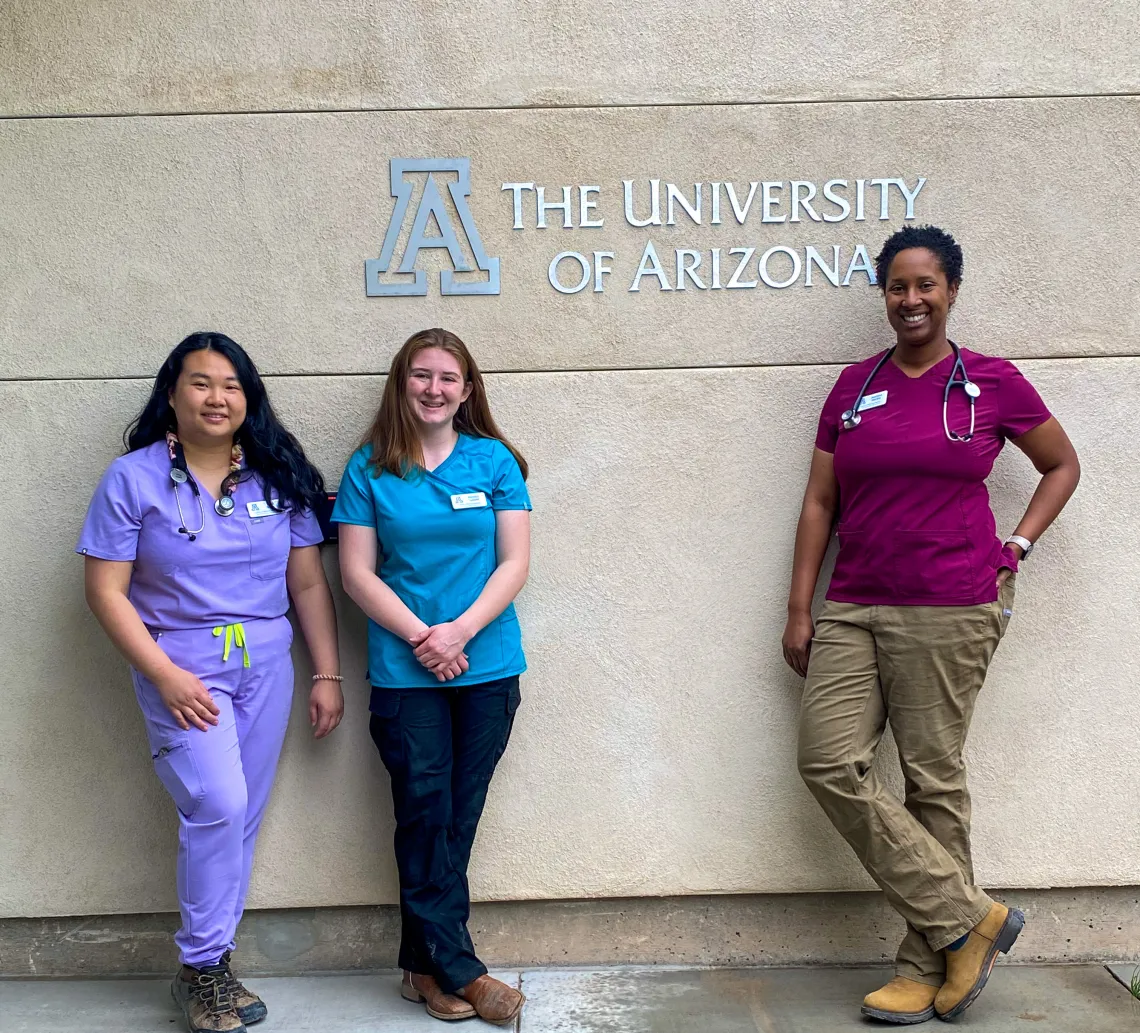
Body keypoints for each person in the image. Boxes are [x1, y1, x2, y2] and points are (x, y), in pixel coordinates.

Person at [783, 226, 1080, 1025]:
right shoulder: (852, 386)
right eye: (896, 287)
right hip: (853, 603)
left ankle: (925, 962)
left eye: (925, 285)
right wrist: (800, 605)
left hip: (951, 604)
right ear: (883, 295)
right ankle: (969, 918)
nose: (910, 300)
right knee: (827, 761)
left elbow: (1062, 464)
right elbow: (820, 502)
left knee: (932, 779)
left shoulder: (990, 382)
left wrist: (1015, 544)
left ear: (951, 290)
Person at [79, 332, 343, 1033]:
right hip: (183, 665)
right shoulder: (133, 478)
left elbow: (310, 581)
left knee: (241, 817)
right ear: (173, 392)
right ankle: (201, 966)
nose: (217, 396)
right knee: (217, 802)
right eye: (200, 382)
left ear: (247, 397)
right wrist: (162, 673)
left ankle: (212, 965)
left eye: (231, 384)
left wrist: (325, 671)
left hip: (266, 662)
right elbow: (106, 590)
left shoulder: (274, 475)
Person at [333, 328, 530, 1026]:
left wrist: (459, 632)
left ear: (467, 389)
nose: (434, 388)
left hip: (486, 665)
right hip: (406, 672)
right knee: (424, 810)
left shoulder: (495, 460)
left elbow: (514, 563)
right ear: (401, 382)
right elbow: (354, 572)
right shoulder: (371, 468)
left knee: (458, 814)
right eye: (422, 375)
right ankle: (463, 969)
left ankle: (423, 964)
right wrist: (423, 636)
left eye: (449, 377)